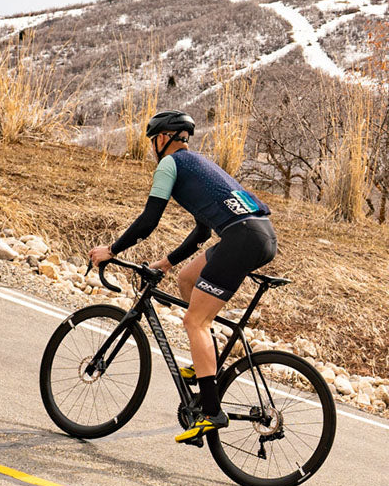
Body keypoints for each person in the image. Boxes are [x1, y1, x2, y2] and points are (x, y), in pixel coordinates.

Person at [89, 110, 277, 444]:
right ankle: (208, 363)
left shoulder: (169, 164)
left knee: (195, 321)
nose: (152, 148)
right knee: (187, 280)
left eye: (153, 141)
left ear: (163, 139)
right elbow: (203, 232)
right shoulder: (198, 165)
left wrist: (112, 250)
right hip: (257, 233)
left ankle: (211, 412)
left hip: (242, 239)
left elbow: (149, 220)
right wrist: (168, 262)